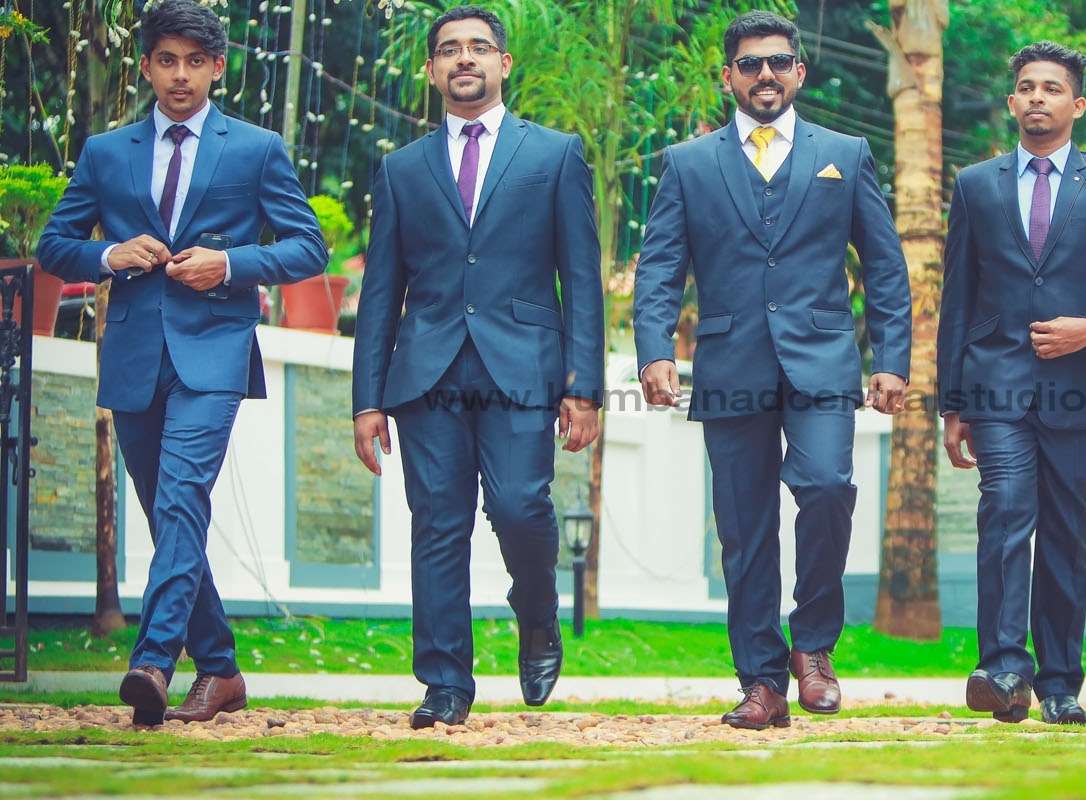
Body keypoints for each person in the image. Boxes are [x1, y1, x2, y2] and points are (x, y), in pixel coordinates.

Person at [36, 0, 326, 726]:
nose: (181, 75)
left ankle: (154, 662)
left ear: (218, 67)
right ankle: (221, 670)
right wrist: (109, 254)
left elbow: (307, 247)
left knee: (180, 499)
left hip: (214, 352)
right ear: (146, 66)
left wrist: (230, 264)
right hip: (133, 353)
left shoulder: (256, 148)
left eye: (196, 62)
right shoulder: (106, 152)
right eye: (167, 60)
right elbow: (54, 245)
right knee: (173, 517)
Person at [631, 10, 912, 730]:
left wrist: (891, 360)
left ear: (799, 72)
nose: (766, 74)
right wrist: (655, 350)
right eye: (751, 63)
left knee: (827, 488)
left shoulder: (844, 154)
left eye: (779, 62)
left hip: (822, 360)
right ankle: (761, 680)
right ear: (728, 75)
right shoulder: (688, 163)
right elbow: (660, 267)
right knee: (744, 528)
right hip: (730, 363)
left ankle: (813, 647)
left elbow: (884, 265)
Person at [350, 4, 604, 729]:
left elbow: (581, 279)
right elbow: (380, 292)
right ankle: (444, 684)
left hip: (522, 367)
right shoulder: (400, 170)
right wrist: (367, 399)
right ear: (432, 69)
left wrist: (583, 387)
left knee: (521, 506)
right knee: (437, 523)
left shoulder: (555, 155)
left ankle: (537, 610)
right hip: (425, 374)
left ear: (503, 63)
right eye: (450, 50)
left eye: (479, 47)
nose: (465, 58)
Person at [937, 42, 1086, 725]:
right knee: (1005, 514)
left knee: (1068, 533)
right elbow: (958, 298)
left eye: (1052, 87)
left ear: (1078, 104)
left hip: (1080, 384)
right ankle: (1003, 670)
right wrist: (952, 403)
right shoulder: (975, 185)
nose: (1038, 96)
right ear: (1012, 101)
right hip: (995, 383)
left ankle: (1060, 683)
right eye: (1027, 86)